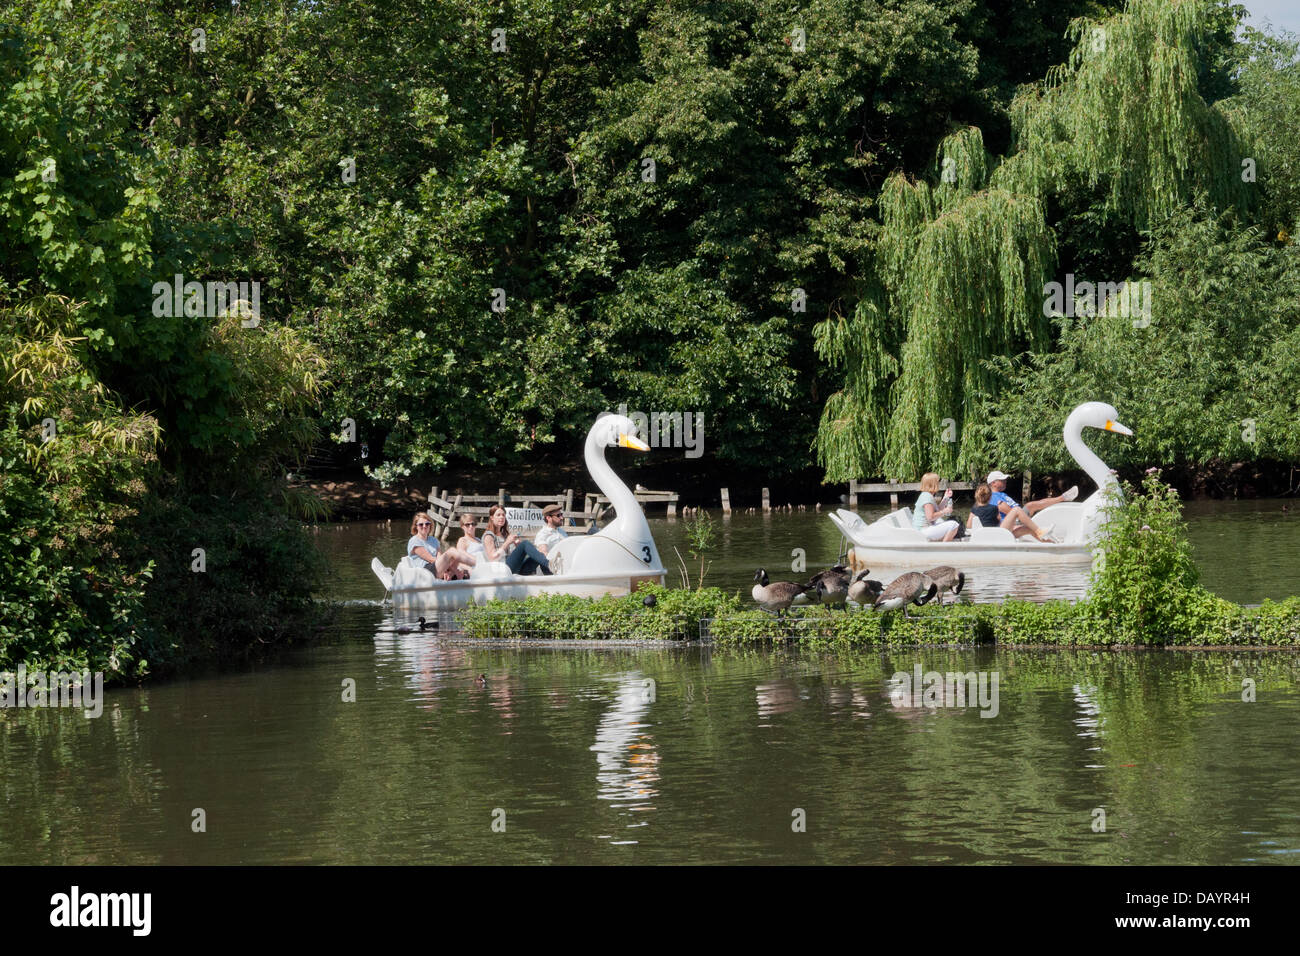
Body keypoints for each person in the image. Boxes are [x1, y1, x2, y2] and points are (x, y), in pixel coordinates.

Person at [968, 483, 1055, 542]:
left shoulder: (974, 509)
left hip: (986, 536)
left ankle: (1048, 541)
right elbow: (998, 521)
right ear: (990, 496)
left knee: (1027, 529)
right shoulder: (994, 508)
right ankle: (1045, 538)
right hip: (997, 536)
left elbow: (969, 525)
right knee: (1016, 510)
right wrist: (1012, 524)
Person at [482, 503, 552, 575]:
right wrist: (507, 542)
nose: (502, 517)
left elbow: (511, 556)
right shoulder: (489, 536)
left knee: (539, 556)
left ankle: (551, 577)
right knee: (525, 544)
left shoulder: (504, 535)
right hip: (500, 570)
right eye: (498, 515)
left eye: (503, 515)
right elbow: (492, 558)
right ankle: (550, 564)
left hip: (511, 568)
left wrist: (517, 546)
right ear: (492, 518)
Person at [407, 513, 473, 580]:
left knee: (456, 560)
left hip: (436, 568)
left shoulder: (434, 540)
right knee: (451, 551)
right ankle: (473, 562)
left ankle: (456, 574)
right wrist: (447, 568)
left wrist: (445, 569)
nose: (424, 526)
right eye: (421, 524)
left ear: (430, 525)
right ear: (416, 526)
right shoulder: (414, 541)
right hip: (424, 571)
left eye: (427, 524)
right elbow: (431, 559)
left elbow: (440, 557)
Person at [913, 472, 960, 542]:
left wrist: (946, 497)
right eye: (938, 482)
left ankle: (941, 542)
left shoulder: (927, 495)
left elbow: (937, 510)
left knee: (941, 520)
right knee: (954, 525)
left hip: (924, 528)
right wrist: (945, 511)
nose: (939, 483)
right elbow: (930, 517)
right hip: (923, 530)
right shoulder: (927, 497)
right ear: (933, 484)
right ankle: (943, 548)